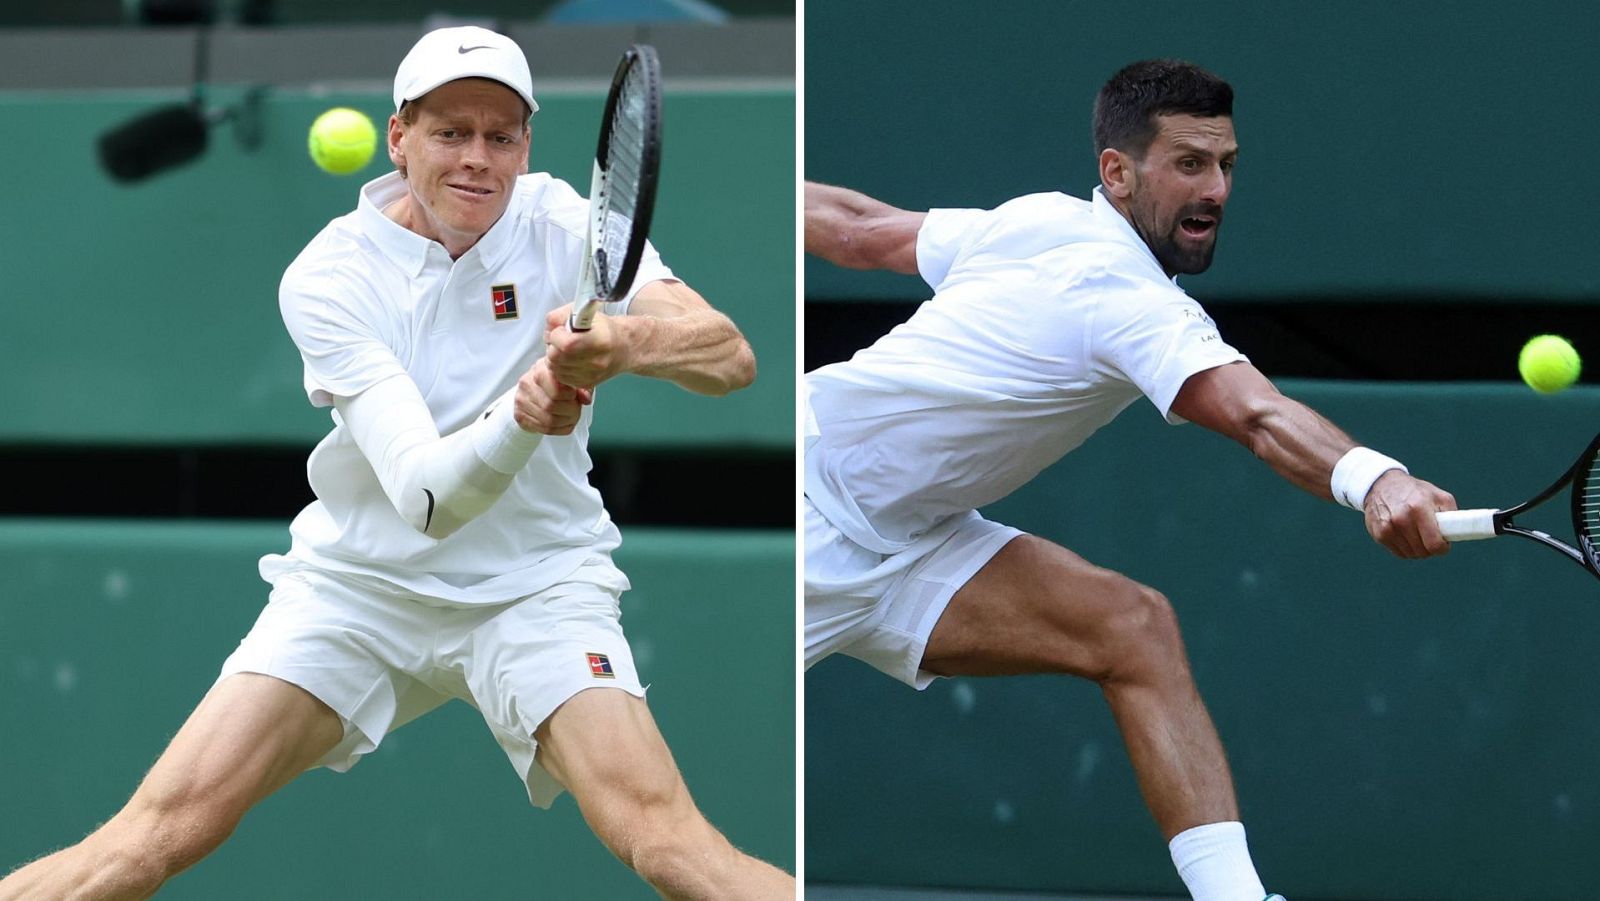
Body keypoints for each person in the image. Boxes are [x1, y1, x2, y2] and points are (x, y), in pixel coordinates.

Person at [2, 26, 793, 901]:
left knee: (669, 847)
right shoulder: (329, 278)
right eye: (452, 132)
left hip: (535, 584)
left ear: (527, 146)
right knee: (149, 840)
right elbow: (425, 495)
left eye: (501, 136)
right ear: (399, 138)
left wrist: (628, 341)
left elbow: (730, 357)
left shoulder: (564, 218)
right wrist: (524, 415)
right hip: (359, 590)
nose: (478, 159)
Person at [803, 59, 1456, 901]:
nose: (1216, 188)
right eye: (1189, 163)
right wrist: (1375, 481)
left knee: (1133, 627)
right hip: (810, 507)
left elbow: (858, 227)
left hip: (913, 538)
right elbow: (1257, 416)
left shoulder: (1040, 220)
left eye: (1226, 165)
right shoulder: (1125, 294)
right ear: (1118, 172)